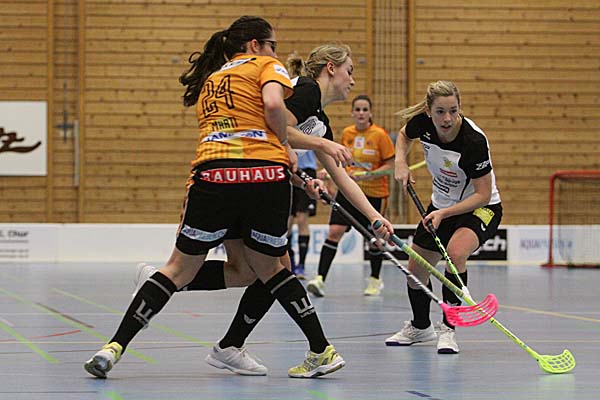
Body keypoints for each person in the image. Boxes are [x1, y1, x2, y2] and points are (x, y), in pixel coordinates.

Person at [84, 16, 350, 380]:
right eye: (272, 45)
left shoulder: (212, 80)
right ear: (255, 45)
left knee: (188, 270)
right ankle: (320, 349)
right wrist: (286, 147)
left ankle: (112, 347)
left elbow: (235, 131)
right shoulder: (267, 68)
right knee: (273, 269)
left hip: (213, 175)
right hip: (262, 179)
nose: (276, 54)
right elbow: (274, 107)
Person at [131, 44, 395, 377]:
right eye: (350, 71)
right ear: (331, 67)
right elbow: (276, 128)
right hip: (244, 180)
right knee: (272, 270)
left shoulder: (319, 118)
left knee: (254, 272)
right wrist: (319, 146)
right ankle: (294, 348)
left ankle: (219, 335)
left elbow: (342, 178)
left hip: (262, 184)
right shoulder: (305, 89)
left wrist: (374, 217)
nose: (352, 80)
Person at [386, 80, 502, 354]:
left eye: (453, 110)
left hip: (479, 208)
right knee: (415, 270)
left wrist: (443, 213)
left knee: (455, 253)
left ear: (460, 108)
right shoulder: (423, 124)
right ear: (429, 111)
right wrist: (400, 162)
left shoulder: (473, 141)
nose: (447, 118)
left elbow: (483, 194)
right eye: (440, 111)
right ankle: (420, 327)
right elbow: (403, 135)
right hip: (441, 206)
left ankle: (449, 329)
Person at [306, 95, 395, 297]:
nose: (361, 113)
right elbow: (341, 161)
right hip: (348, 191)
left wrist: (370, 174)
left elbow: (390, 165)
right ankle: (320, 279)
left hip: (374, 193)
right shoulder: (347, 133)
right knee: (334, 231)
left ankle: (375, 280)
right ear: (352, 112)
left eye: (365, 109)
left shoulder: (380, 135)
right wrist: (329, 171)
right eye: (358, 109)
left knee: (374, 238)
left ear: (370, 113)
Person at [288, 149, 319, 279]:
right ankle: (290, 263)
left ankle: (301, 265)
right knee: (287, 223)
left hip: (307, 171)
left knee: (302, 220)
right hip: (289, 171)